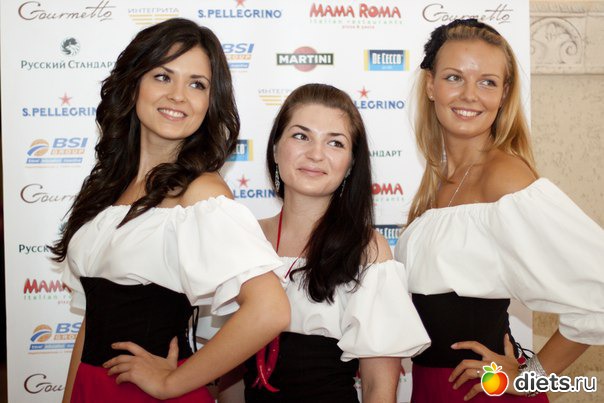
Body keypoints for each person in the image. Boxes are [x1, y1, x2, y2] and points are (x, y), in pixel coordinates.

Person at [51, 18, 290, 403]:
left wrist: (171, 383)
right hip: (91, 388)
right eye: (163, 77)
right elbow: (91, 322)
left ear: (210, 102)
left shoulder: (201, 192)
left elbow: (270, 309)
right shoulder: (105, 190)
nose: (178, 95)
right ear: (134, 85)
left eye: (197, 84)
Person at [395, 18, 604, 402]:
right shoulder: (438, 184)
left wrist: (529, 379)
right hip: (431, 389)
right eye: (454, 77)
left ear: (504, 94)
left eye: (487, 82)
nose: (470, 95)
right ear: (430, 85)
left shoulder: (504, 176)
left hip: (480, 393)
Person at [239, 83, 431, 402]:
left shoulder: (368, 250)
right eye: (301, 136)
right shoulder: (244, 238)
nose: (316, 154)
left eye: (335, 143)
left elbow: (378, 387)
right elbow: (230, 373)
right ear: (275, 149)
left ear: (351, 163)